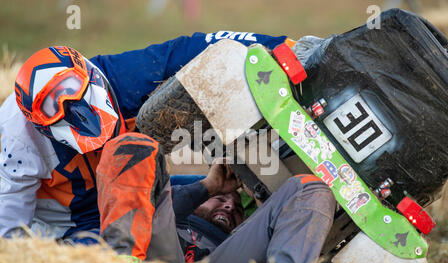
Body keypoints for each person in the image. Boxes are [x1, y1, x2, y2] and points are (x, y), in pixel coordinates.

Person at [0, 31, 289, 243]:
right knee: (108, 260)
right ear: (42, 128)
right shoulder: (15, 146)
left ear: (95, 79)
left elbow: (192, 48)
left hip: (130, 183)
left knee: (226, 188)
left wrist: (279, 47)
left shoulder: (123, 76)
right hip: (76, 225)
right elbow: (10, 244)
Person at [96, 132, 336, 263]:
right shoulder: (176, 211)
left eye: (238, 209)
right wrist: (209, 186)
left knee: (311, 188)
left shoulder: (235, 238)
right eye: (220, 201)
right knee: (135, 145)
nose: (230, 206)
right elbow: (162, 203)